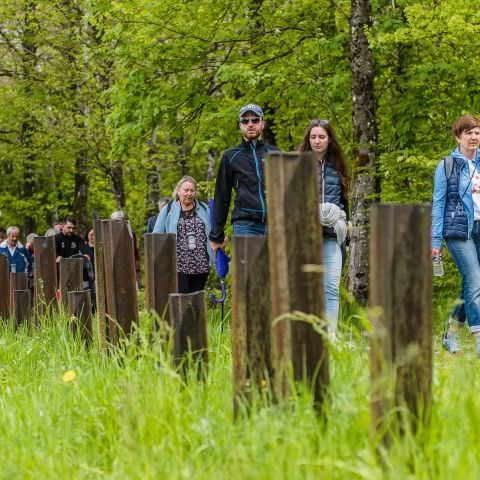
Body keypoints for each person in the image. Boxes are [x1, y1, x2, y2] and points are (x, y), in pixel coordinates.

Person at [431, 114, 480, 354]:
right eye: (468, 132)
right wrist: (435, 241)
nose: (474, 137)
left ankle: (450, 336)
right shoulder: (448, 165)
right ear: (458, 137)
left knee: (472, 282)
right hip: (459, 231)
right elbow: (438, 204)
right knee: (475, 279)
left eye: (477, 132)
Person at [299, 119, 349, 340]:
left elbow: (344, 203)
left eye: (321, 137)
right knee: (307, 288)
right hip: (305, 237)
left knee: (330, 287)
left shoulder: (338, 166)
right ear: (308, 140)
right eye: (313, 137)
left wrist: (342, 222)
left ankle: (331, 336)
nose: (317, 141)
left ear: (329, 139)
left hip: (331, 237)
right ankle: (308, 336)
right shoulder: (298, 165)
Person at [209, 103, 278, 253]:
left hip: (275, 225)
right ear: (240, 125)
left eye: (255, 120)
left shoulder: (275, 153)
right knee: (247, 276)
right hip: (246, 225)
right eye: (245, 121)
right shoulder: (230, 156)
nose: (250, 124)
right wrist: (216, 235)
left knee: (275, 276)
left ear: (262, 123)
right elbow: (222, 196)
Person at [153, 175, 215, 294]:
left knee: (196, 298)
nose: (189, 193)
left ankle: (195, 313)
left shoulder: (204, 208)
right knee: (182, 295)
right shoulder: (168, 209)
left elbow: (213, 230)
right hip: (178, 264)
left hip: (201, 263)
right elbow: (157, 235)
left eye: (192, 190)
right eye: (186, 190)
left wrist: (219, 240)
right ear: (178, 191)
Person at [111, 210, 140, 283]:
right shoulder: (108, 234)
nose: (117, 223)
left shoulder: (130, 234)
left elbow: (135, 252)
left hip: (128, 266)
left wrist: (137, 270)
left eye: (119, 221)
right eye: (114, 221)